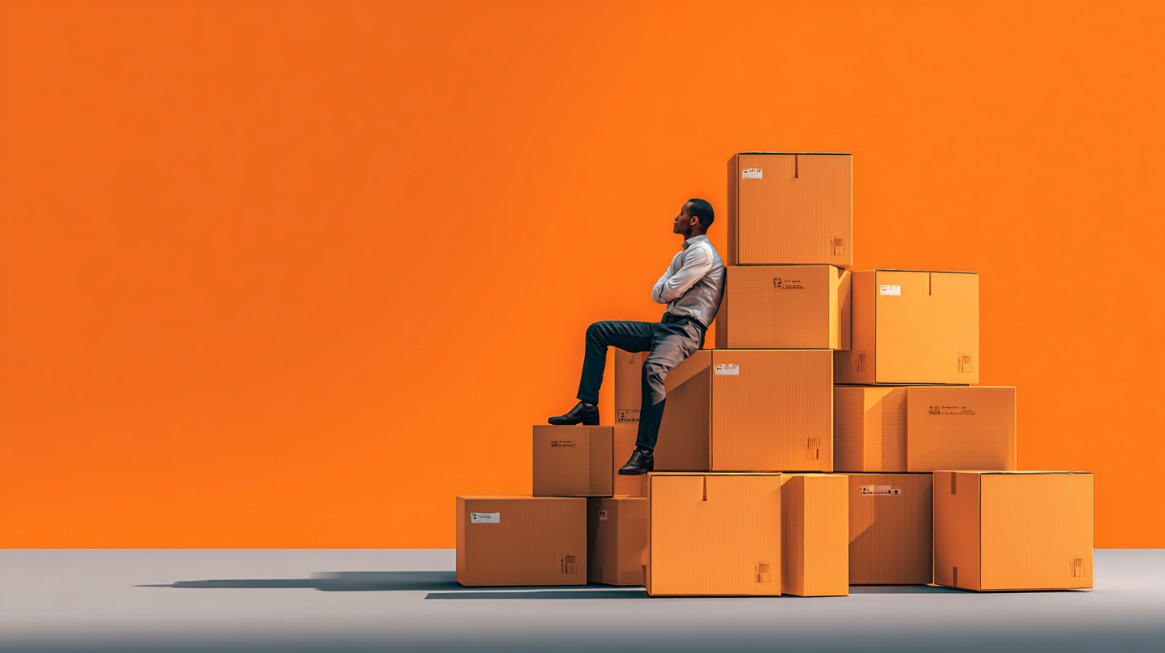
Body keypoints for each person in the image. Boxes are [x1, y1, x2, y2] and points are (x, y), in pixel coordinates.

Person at [547, 198, 725, 475]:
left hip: (686, 330)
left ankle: (644, 453)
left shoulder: (702, 253)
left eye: (681, 214)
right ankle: (588, 405)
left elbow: (666, 290)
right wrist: (667, 289)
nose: (675, 217)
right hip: (666, 327)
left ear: (693, 221)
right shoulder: (682, 255)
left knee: (653, 369)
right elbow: (658, 293)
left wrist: (667, 289)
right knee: (598, 331)